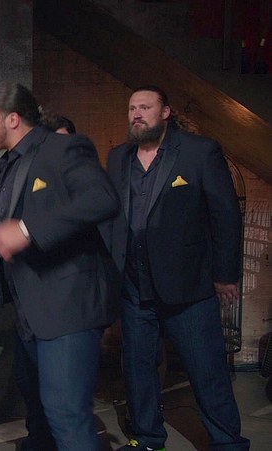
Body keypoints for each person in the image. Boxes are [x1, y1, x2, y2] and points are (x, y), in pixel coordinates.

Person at [0, 83, 120, 451]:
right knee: (43, 418)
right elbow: (2, 228)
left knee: (67, 416)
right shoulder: (12, 163)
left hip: (68, 308)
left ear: (13, 119)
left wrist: (27, 230)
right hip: (30, 313)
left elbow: (101, 198)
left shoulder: (64, 149)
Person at [105, 86, 250, 451]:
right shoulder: (118, 157)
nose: (137, 114)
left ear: (165, 112)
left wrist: (225, 275)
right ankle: (148, 439)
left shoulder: (200, 151)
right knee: (138, 370)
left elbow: (225, 215)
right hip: (134, 288)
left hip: (189, 287)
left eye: (145, 107)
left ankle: (228, 443)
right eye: (132, 108)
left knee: (207, 370)